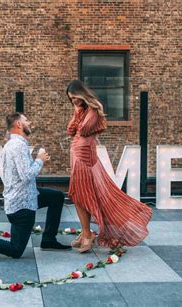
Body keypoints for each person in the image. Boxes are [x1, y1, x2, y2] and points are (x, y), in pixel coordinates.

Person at [0, 112, 70, 258]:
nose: (29, 123)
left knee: (56, 197)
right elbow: (26, 175)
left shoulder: (13, 144)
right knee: (15, 250)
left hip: (26, 195)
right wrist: (40, 160)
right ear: (19, 124)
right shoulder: (18, 146)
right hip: (22, 205)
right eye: (26, 120)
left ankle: (49, 239)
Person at [66, 80, 152, 253]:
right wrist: (77, 112)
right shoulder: (81, 110)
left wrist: (77, 113)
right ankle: (85, 233)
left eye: (75, 97)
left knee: (85, 195)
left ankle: (87, 234)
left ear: (82, 93)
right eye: (71, 99)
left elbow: (83, 130)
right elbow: (70, 130)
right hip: (76, 156)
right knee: (78, 195)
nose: (74, 102)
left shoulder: (94, 109)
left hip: (85, 158)